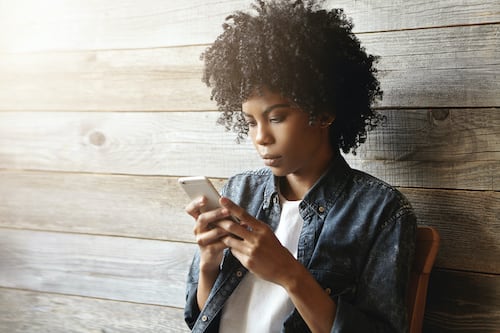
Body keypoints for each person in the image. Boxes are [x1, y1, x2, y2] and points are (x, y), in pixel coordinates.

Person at [183, 1, 416, 332]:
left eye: (277, 117)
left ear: (323, 112)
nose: (261, 137)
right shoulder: (239, 192)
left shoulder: (379, 212)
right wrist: (208, 264)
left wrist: (288, 273)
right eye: (250, 121)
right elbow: (200, 319)